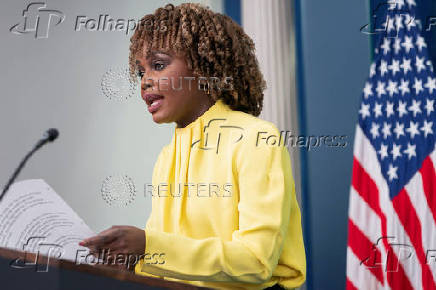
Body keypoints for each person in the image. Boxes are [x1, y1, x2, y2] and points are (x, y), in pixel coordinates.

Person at [79, 3, 306, 289]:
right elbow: (168, 266)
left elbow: (256, 261)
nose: (146, 81)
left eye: (158, 65)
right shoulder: (167, 157)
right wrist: (128, 262)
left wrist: (149, 247)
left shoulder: (255, 138)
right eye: (140, 73)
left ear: (203, 65)